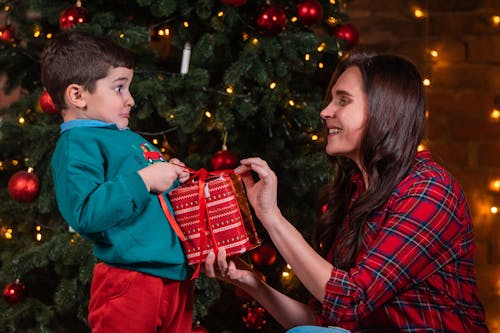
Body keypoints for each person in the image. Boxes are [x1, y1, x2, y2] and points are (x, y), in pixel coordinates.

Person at [205, 52, 489, 332]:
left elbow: (350, 300)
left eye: (343, 100)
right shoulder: (357, 194)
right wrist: (253, 284)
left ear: (383, 110)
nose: (325, 111)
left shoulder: (430, 190)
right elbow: (328, 322)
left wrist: (272, 216)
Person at [42, 31, 193, 333]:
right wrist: (145, 180)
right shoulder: (77, 143)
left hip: (175, 276)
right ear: (78, 95)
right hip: (130, 279)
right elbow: (85, 212)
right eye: (119, 88)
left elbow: (154, 195)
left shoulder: (129, 139)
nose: (131, 100)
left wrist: (173, 175)